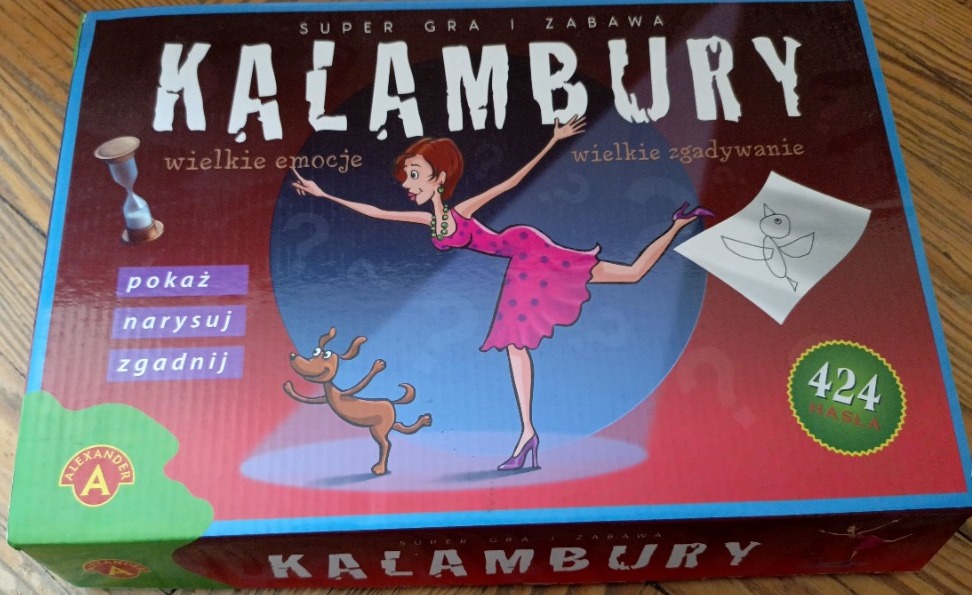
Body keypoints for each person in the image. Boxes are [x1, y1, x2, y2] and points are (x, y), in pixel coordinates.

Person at [291, 116, 712, 471]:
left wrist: (553, 141)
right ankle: (678, 223)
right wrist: (324, 193)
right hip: (520, 256)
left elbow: (511, 182)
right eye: (406, 177)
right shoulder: (429, 221)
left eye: (415, 175)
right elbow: (378, 211)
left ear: (439, 179)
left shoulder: (460, 212)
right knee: (631, 275)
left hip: (525, 252)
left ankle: (527, 435)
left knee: (514, 342)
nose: (408, 183)